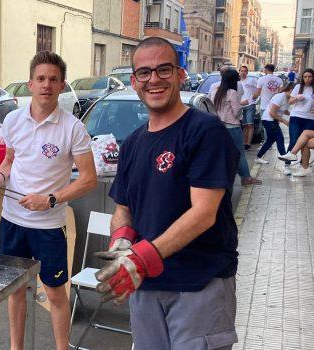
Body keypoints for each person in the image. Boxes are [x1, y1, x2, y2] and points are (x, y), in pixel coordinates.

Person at [94, 37, 239, 350]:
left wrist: (142, 258)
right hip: (145, 285)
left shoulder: (204, 131)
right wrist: (121, 243)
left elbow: (203, 213)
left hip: (198, 284)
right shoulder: (132, 143)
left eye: (164, 69)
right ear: (134, 82)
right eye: (144, 73)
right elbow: (124, 206)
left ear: (180, 74)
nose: (154, 80)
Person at [0, 51, 98, 350]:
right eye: (41, 78)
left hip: (49, 227)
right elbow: (9, 161)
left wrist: (52, 199)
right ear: (30, 83)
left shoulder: (73, 128)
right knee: (16, 290)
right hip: (12, 222)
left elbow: (88, 179)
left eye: (53, 79)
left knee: (56, 294)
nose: (47, 84)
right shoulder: (12, 120)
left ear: (62, 85)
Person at [210, 69, 262, 185]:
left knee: (223, 152)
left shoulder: (214, 91)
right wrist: (241, 108)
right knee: (239, 153)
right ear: (233, 80)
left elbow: (212, 108)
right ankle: (246, 178)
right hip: (232, 127)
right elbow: (237, 111)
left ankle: (221, 176)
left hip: (219, 127)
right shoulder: (232, 92)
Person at [287, 68, 314, 159]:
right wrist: (297, 98)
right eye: (305, 77)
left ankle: (302, 165)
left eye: (310, 76)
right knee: (294, 140)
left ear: (313, 77)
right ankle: (287, 164)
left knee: (306, 142)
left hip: (311, 119)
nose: (307, 78)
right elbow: (290, 102)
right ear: (302, 78)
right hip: (296, 117)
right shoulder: (298, 87)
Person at [255, 82, 295, 165]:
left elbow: (284, 110)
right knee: (280, 139)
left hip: (273, 120)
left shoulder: (288, 98)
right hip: (269, 120)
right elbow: (272, 113)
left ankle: (258, 157)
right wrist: (284, 121)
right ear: (291, 90)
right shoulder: (280, 97)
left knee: (270, 141)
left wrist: (293, 114)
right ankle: (286, 162)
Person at [239, 65, 258, 149]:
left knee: (250, 124)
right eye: (241, 71)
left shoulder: (251, 80)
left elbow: (258, 90)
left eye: (245, 71)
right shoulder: (237, 82)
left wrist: (253, 99)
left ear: (247, 72)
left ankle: (248, 143)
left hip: (250, 105)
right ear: (239, 72)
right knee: (244, 125)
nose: (243, 72)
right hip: (240, 105)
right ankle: (243, 143)